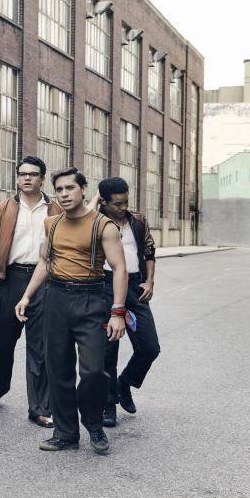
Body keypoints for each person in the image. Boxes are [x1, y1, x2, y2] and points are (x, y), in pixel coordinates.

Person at [16, 168, 127, 454]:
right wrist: (27, 296)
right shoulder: (51, 223)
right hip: (55, 298)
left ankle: (93, 422)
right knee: (58, 369)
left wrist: (118, 311)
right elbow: (44, 262)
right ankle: (65, 432)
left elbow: (119, 269)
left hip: (90, 299)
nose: (64, 194)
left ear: (83, 190)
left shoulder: (103, 226)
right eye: (59, 189)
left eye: (70, 188)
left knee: (92, 371)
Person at [0, 156, 62, 427]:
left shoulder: (56, 210)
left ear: (42, 178)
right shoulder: (1, 209)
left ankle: (39, 407)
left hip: (44, 282)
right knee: (0, 342)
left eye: (33, 174)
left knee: (40, 346)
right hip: (10, 279)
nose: (27, 178)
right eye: (22, 173)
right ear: (17, 177)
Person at [97, 177, 160, 427]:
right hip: (105, 285)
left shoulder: (138, 220)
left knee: (149, 347)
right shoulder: (95, 221)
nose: (123, 208)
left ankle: (125, 383)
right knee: (108, 350)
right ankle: (108, 404)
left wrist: (150, 281)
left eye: (126, 202)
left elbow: (150, 251)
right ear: (103, 202)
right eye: (117, 204)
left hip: (135, 287)